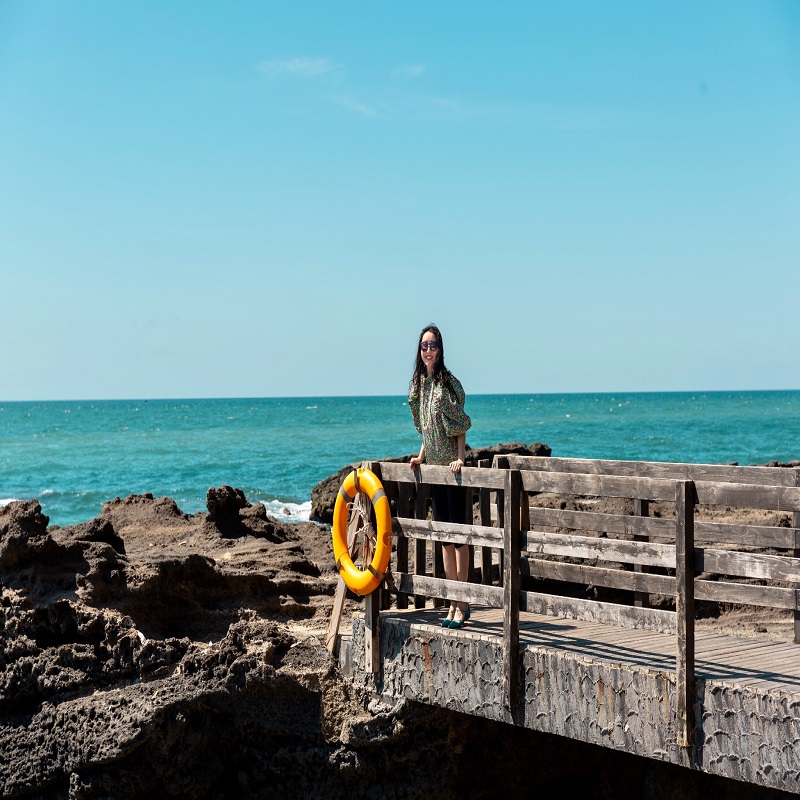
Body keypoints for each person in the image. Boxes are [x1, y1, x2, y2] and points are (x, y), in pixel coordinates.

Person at [407, 323, 472, 629]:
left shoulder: (447, 383)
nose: (428, 350)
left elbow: (459, 423)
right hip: (434, 470)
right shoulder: (421, 385)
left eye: (432, 345)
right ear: (419, 352)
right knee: (445, 541)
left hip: (452, 472)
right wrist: (421, 455)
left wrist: (461, 458)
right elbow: (429, 425)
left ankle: (462, 603)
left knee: (459, 539)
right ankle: (451, 602)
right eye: (424, 346)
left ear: (440, 349)